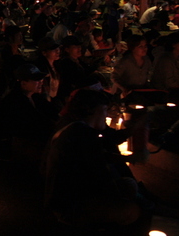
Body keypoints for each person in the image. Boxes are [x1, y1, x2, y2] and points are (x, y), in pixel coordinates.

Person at [45, 89, 142, 227]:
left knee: (129, 185)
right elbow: (101, 177)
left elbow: (100, 156)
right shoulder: (83, 136)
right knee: (133, 211)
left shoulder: (75, 128)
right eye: (104, 111)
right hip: (69, 206)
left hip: (68, 196)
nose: (106, 115)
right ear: (92, 110)